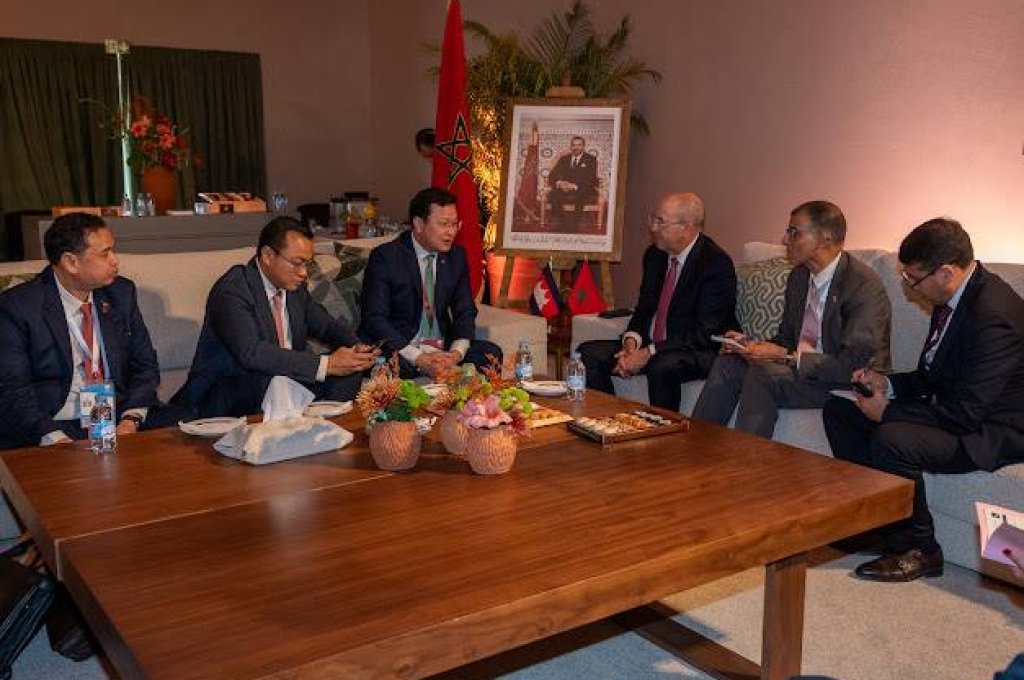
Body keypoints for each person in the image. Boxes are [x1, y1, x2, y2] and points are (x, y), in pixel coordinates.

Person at [822, 218, 1024, 582]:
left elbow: (965, 413)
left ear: (945, 273)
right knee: (841, 410)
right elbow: (932, 375)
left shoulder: (994, 315)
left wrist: (888, 411)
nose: (908, 286)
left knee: (892, 438)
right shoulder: (954, 297)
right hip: (958, 410)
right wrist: (887, 383)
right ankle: (875, 525)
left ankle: (920, 550)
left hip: (991, 430)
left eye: (913, 278)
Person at [691, 200, 891, 438]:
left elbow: (854, 364)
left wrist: (784, 356)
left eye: (794, 232)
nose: (785, 239)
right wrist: (751, 345)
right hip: (800, 370)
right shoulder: (799, 277)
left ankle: (747, 459)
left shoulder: (862, 285)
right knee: (729, 364)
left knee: (764, 375)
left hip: (844, 381)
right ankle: (695, 446)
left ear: (825, 238)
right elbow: (787, 338)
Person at [0, 213, 182, 448]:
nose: (115, 261)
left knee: (184, 426)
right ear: (70, 262)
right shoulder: (17, 307)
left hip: (117, 417)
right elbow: (13, 391)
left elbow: (145, 366)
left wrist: (131, 420)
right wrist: (56, 439)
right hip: (54, 424)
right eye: (105, 254)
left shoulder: (120, 293)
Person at [172, 217, 377, 417]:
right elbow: (252, 353)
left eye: (307, 264)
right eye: (297, 263)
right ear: (268, 255)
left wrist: (358, 349)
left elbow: (325, 326)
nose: (304, 273)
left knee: (350, 371)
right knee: (274, 380)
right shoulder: (232, 290)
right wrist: (327, 364)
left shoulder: (293, 288)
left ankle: (325, 429)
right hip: (234, 390)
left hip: (286, 384)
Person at [577, 193, 738, 409]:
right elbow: (644, 309)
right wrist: (631, 342)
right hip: (655, 345)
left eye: (660, 222)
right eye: (653, 219)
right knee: (588, 353)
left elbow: (704, 333)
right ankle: (611, 419)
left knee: (661, 365)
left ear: (686, 228)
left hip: (698, 350)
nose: (653, 228)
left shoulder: (715, 264)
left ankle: (665, 428)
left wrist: (648, 353)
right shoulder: (655, 255)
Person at [359, 187, 500, 379]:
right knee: (390, 364)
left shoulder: (456, 256)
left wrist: (455, 354)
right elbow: (374, 319)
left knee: (491, 354)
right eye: (443, 224)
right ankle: (437, 376)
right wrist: (419, 358)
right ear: (418, 224)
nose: (451, 232)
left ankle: (453, 381)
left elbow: (465, 311)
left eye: (454, 224)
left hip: (441, 346)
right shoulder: (386, 257)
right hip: (402, 347)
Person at [546, 135, 599, 231]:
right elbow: (553, 174)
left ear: (583, 146)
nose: (576, 147)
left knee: (580, 196)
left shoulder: (591, 159)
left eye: (579, 145)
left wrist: (574, 186)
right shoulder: (564, 159)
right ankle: (562, 222)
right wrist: (560, 183)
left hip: (582, 188)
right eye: (574, 145)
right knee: (553, 195)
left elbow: (591, 178)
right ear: (571, 146)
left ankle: (573, 224)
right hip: (563, 188)